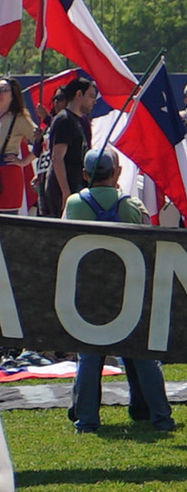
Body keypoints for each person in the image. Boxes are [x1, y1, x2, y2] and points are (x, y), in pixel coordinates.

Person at [64, 148, 177, 433]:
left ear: (85, 175)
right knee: (143, 355)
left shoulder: (74, 204)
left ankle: (86, 420)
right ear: (117, 172)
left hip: (89, 296)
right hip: (129, 293)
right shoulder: (133, 206)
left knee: (89, 357)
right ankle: (160, 416)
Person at [0, 77, 38, 215]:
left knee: (6, 221)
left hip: (8, 175)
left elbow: (41, 141)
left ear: (13, 95)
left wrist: (24, 161)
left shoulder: (19, 118)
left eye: (3, 90)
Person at [45, 77, 96, 214]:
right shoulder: (64, 120)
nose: (94, 101)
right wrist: (66, 192)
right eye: (91, 96)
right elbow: (57, 158)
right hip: (63, 191)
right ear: (79, 94)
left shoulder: (78, 121)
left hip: (77, 185)